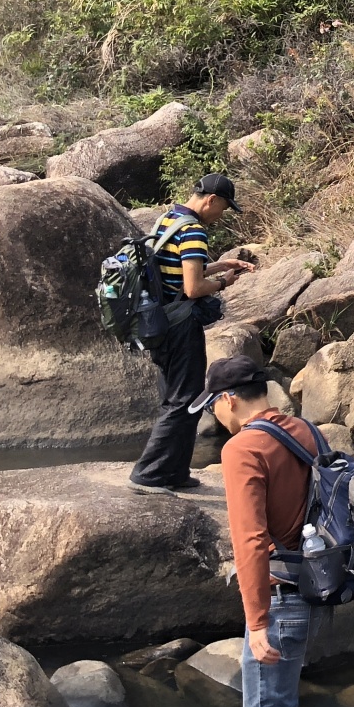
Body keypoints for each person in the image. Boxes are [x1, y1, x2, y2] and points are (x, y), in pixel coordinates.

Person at [189, 358, 320, 707]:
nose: (214, 418)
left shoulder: (243, 448)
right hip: (314, 585)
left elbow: (249, 542)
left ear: (228, 400)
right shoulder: (304, 431)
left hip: (280, 598)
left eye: (213, 407)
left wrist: (258, 621)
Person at [129, 174, 255, 495]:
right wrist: (225, 281)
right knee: (186, 399)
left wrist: (221, 264)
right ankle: (149, 473)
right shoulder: (195, 230)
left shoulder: (168, 219)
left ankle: (175, 471)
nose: (222, 215)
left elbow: (177, 268)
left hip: (159, 323)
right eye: (224, 208)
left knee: (177, 396)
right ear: (211, 200)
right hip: (180, 326)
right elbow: (193, 287)